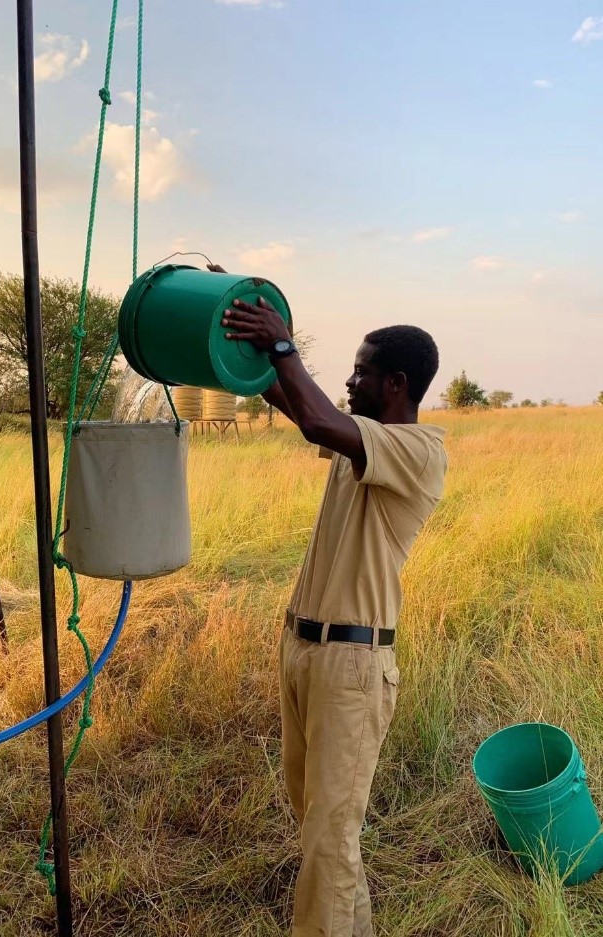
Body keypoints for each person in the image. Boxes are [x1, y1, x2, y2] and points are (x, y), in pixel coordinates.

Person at [212, 267, 448, 937]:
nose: (349, 380)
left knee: (329, 835)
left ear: (395, 384)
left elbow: (316, 417)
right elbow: (302, 409)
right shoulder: (362, 445)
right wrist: (251, 351)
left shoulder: (416, 451)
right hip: (304, 650)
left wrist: (285, 345)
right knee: (318, 824)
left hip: (351, 665)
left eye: (361, 371)